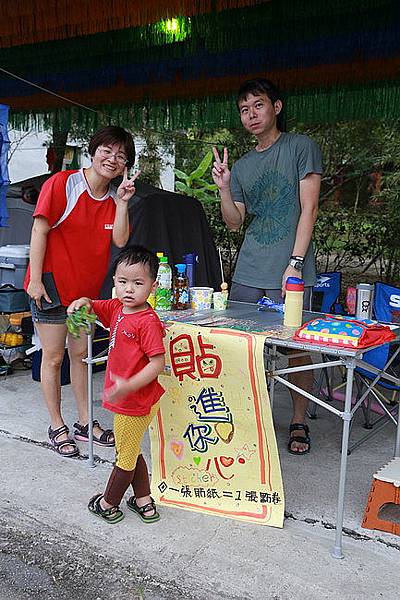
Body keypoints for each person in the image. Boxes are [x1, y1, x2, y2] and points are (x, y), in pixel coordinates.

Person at [212, 78, 322, 455]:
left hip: (288, 268)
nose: (251, 115)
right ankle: (248, 418)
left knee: (294, 348)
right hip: (249, 268)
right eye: (244, 110)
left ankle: (298, 420)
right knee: (241, 345)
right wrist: (225, 188)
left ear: (276, 107)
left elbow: (309, 209)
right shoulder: (241, 166)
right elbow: (234, 222)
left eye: (258, 106)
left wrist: (295, 262)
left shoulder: (300, 147)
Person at [25, 126, 139, 458]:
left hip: (84, 298)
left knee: (80, 356)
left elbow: (120, 241)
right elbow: (39, 227)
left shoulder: (114, 198)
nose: (112, 159)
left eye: (121, 155)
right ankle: (57, 425)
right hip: (51, 289)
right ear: (93, 151)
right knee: (54, 356)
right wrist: (34, 280)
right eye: (107, 150)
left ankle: (85, 422)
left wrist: (122, 202)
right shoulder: (63, 184)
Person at [67, 245, 165, 523]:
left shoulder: (148, 322)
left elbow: (157, 364)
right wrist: (81, 302)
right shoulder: (118, 308)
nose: (129, 289)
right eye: (123, 282)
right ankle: (144, 501)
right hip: (127, 397)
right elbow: (93, 305)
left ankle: (108, 502)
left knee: (124, 455)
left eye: (138, 283)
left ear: (153, 286)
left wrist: (128, 386)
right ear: (114, 283)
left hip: (134, 400)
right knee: (131, 448)